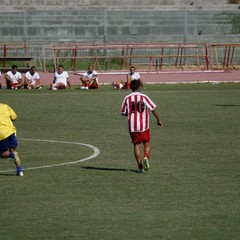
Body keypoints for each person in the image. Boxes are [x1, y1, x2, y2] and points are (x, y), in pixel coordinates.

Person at [121, 80, 162, 173]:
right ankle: (146, 157)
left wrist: (131, 112)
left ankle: (140, 167)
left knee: (136, 145)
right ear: (139, 87)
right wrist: (158, 119)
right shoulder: (144, 97)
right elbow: (153, 109)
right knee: (146, 143)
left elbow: (123, 112)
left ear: (130, 87)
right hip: (144, 125)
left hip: (132, 126)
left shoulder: (127, 98)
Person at [0, 103, 24, 176]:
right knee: (13, 150)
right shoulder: (5, 106)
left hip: (2, 134)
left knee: (2, 154)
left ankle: (12, 155)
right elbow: (14, 117)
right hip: (11, 132)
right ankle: (20, 171)